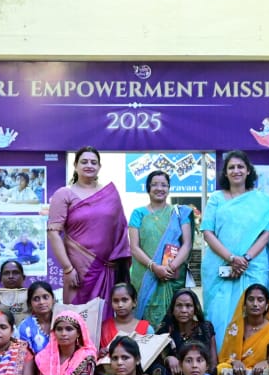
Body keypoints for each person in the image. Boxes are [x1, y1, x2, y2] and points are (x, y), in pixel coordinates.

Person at [201, 150, 269, 348]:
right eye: (231, 167)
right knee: (219, 313)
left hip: (253, 265)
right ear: (225, 172)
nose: (236, 171)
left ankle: (254, 358)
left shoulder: (261, 201)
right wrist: (232, 258)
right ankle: (221, 357)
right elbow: (207, 232)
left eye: (240, 167)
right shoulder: (216, 198)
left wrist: (245, 258)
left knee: (255, 310)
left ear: (248, 171)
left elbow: (267, 233)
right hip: (220, 265)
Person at [48, 146, 131, 306]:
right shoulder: (64, 194)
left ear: (99, 167)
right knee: (78, 315)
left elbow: (121, 230)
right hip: (78, 269)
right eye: (84, 161)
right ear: (75, 165)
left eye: (93, 162)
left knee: (108, 314)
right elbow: (53, 233)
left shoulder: (110, 194)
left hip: (109, 268)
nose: (89, 165)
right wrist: (68, 268)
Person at [128, 170, 195, 329]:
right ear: (148, 188)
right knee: (144, 321)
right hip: (145, 275)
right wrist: (154, 267)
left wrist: (170, 268)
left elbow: (187, 244)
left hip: (171, 276)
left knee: (172, 322)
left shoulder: (179, 213)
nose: (159, 188)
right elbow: (134, 247)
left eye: (164, 185)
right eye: (155, 185)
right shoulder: (138, 213)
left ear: (169, 188)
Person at [20, 308, 99, 375]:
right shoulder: (45, 357)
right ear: (54, 333)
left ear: (78, 333)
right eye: (59, 329)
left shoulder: (86, 357)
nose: (63, 333)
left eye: (69, 329)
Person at [218, 284, 269, 375]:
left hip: (262, 373)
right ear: (244, 304)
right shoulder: (234, 328)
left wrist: (267, 362)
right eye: (251, 299)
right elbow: (224, 358)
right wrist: (233, 362)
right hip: (237, 373)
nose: (255, 304)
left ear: (267, 305)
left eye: (260, 300)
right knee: (221, 368)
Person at [156, 289, 218, 375]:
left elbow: (213, 363)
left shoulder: (205, 328)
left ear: (195, 309)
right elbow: (154, 361)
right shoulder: (165, 330)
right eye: (179, 305)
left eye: (188, 306)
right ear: (173, 309)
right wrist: (168, 359)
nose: (183, 310)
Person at [100, 282, 154, 354]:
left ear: (134, 302)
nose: (120, 305)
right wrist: (100, 353)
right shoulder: (103, 328)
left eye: (124, 300)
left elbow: (151, 354)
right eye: (115, 301)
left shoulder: (147, 329)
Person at [16, 281, 58, 354]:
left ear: (53, 299)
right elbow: (24, 356)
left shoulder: (62, 321)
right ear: (30, 303)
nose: (41, 302)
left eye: (45, 297)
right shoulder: (25, 327)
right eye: (36, 299)